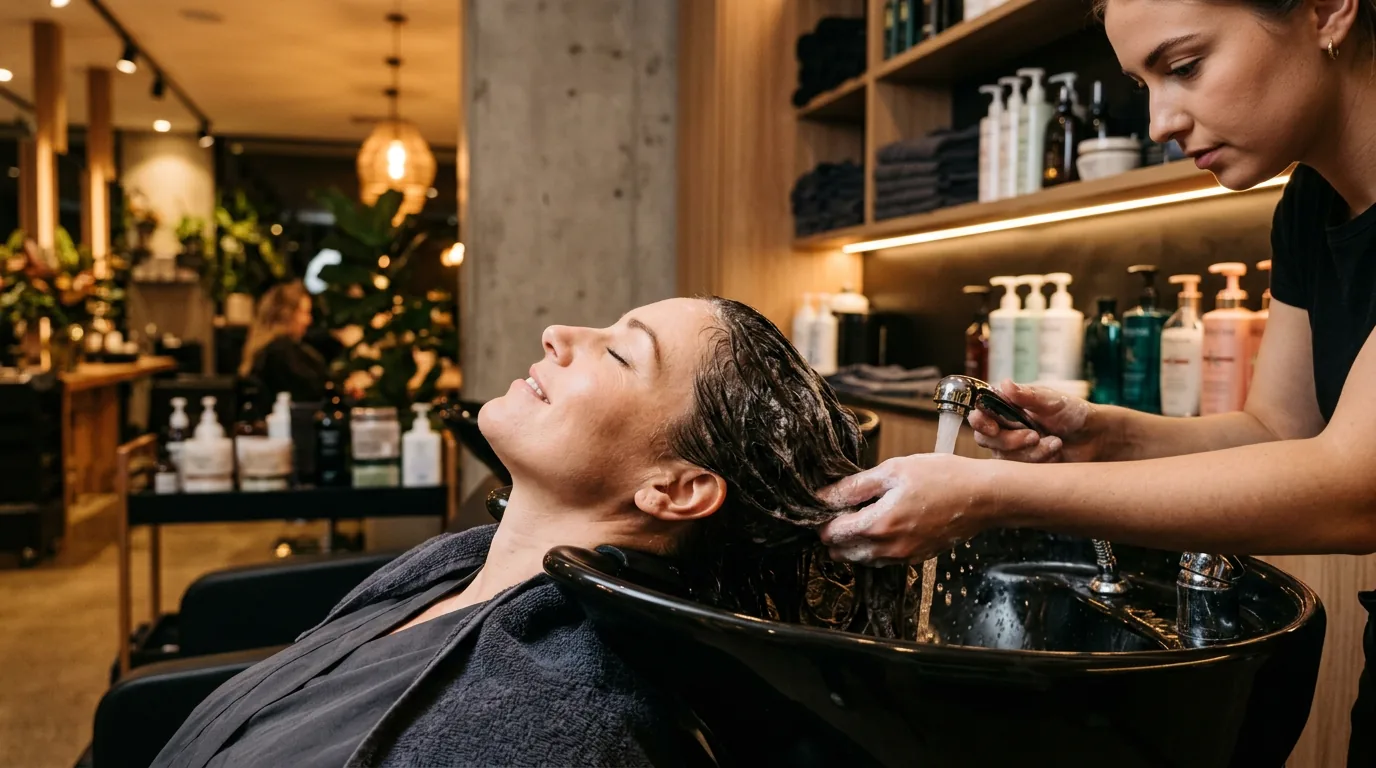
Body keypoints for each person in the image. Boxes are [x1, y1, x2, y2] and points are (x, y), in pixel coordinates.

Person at [816, 0, 1376, 761]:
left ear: (1327, 9)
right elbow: (1279, 431)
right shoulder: (1310, 205)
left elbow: (1356, 485)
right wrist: (1108, 436)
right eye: (1144, 86)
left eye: (1185, 67)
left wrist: (992, 495)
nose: (1161, 123)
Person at [151, 297, 863, 767]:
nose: (559, 334)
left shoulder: (560, 727)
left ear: (676, 489)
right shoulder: (452, 571)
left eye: (620, 354)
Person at [238, 281, 329, 403]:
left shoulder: (262, 351)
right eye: (304, 313)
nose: (309, 320)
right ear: (287, 314)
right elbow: (311, 391)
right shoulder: (281, 352)